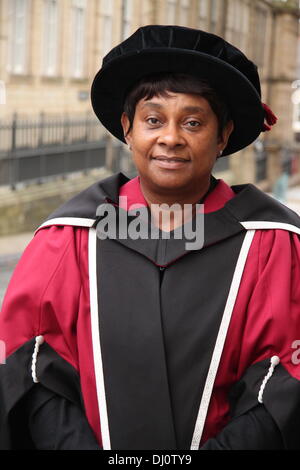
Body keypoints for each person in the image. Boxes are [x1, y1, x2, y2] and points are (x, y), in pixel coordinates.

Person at [1, 25, 300, 451]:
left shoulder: (271, 242)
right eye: (153, 120)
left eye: (193, 122)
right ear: (128, 128)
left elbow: (284, 382)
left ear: (223, 136)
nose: (171, 138)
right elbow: (29, 366)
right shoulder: (69, 236)